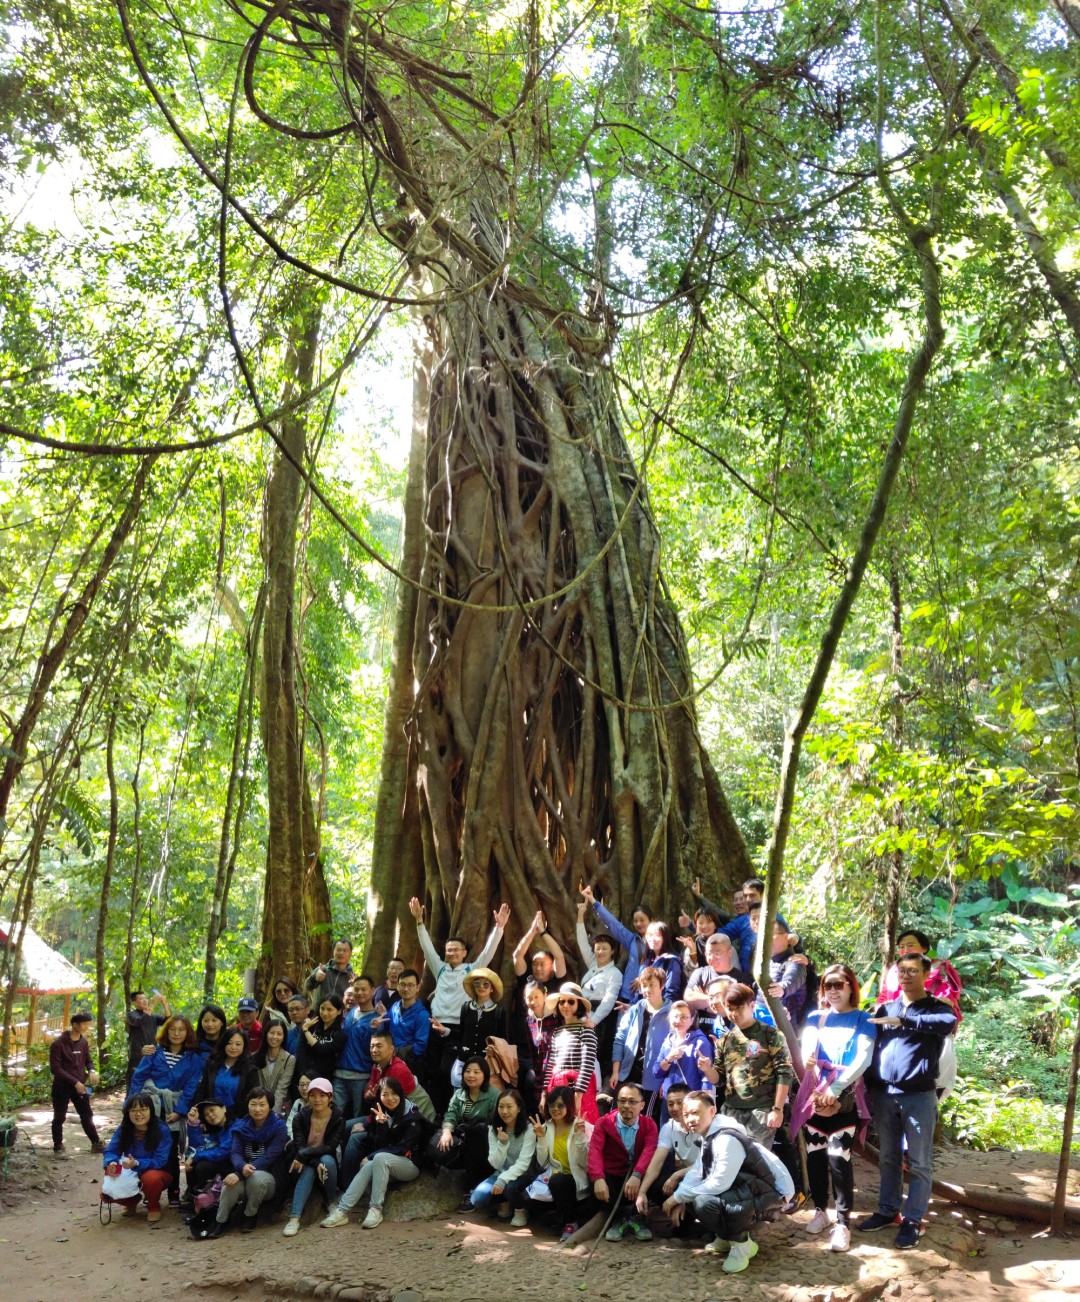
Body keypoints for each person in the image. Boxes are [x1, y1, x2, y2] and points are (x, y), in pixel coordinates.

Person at [859, 952, 957, 1249]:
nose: (906, 975)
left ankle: (913, 1218)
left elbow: (947, 1023)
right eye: (901, 970)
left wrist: (902, 1018)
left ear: (926, 974)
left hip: (918, 1096)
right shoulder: (885, 1007)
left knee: (919, 1162)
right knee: (888, 1157)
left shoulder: (936, 1008)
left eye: (913, 970)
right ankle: (888, 1211)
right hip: (885, 1095)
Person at [792, 964, 877, 1252]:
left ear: (851, 986)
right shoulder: (817, 1016)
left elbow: (863, 1058)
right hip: (815, 1093)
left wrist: (835, 1088)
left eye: (839, 984)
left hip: (845, 1095)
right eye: (828, 985)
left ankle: (842, 1223)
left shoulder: (863, 1019)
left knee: (839, 1158)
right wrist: (816, 1081)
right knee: (815, 1156)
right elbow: (808, 1051)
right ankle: (820, 1210)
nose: (833, 990)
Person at [662, 1090, 792, 1274]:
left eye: (696, 1112)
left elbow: (718, 1183)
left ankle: (741, 1244)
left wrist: (678, 1198)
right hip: (747, 1191)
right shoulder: (708, 1136)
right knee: (687, 1191)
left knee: (703, 1201)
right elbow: (697, 1172)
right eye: (687, 1114)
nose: (691, 1119)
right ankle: (724, 1236)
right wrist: (678, 1195)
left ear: (712, 1111)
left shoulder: (726, 1139)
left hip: (768, 1195)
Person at [409, 895, 510, 1113]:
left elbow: (488, 952)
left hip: (456, 1030)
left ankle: (453, 1111)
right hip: (434, 1026)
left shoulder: (471, 971)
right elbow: (426, 947)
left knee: (450, 1072)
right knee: (432, 1071)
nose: (452, 952)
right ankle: (434, 1115)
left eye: (456, 949)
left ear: (464, 953)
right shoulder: (441, 969)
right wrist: (419, 921)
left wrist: (499, 927)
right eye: (449, 949)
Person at [322, 1077, 426, 1229]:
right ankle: (341, 1211)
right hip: (385, 1163)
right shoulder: (382, 1114)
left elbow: (402, 1149)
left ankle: (376, 1209)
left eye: (394, 1094)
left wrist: (371, 1156)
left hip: (410, 1164)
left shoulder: (412, 1116)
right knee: (373, 1163)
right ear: (379, 1097)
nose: (390, 1098)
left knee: (377, 1158)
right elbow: (380, 1145)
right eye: (385, 1095)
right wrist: (382, 1126)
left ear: (401, 1094)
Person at [698, 982, 794, 1145]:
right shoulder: (726, 1040)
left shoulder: (771, 1035)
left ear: (751, 1005)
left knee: (755, 1162)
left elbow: (784, 1074)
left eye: (738, 1008)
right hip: (732, 1111)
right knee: (730, 1160)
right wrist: (707, 1069)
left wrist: (777, 1110)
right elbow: (719, 1079)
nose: (734, 1013)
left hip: (762, 1111)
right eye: (729, 1008)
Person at [129, 1014, 204, 1203]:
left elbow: (191, 1086)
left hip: (174, 1110)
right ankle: (149, 1191)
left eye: (181, 1030)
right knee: (147, 1147)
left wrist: (180, 1110)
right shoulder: (154, 1053)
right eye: (172, 1029)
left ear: (187, 1033)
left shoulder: (194, 1059)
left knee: (171, 1151)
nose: (176, 1033)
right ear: (166, 1031)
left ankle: (174, 1192)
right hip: (151, 1108)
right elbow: (139, 1077)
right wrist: (130, 1104)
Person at [207, 1086, 289, 1236]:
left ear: (270, 1106)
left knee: (255, 1177)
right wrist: (241, 1167)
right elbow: (235, 1153)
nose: (257, 1109)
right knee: (229, 1183)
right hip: (243, 1172)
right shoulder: (240, 1126)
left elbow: (268, 1158)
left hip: (268, 1178)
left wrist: (240, 1173)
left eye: (262, 1104)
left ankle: (250, 1215)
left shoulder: (279, 1128)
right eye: (253, 1104)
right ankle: (220, 1221)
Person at [587, 1082, 658, 1242]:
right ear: (616, 1102)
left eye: (632, 1102)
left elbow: (649, 1152)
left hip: (636, 1178)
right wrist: (598, 1178)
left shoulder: (649, 1125)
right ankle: (617, 1218)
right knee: (595, 1179)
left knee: (655, 1176)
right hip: (613, 1176)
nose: (626, 1105)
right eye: (622, 1101)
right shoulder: (604, 1123)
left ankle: (637, 1217)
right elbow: (594, 1151)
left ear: (642, 1105)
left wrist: (637, 1174)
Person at [428, 1054, 502, 1197]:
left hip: (486, 1142)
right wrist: (447, 1131)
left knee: (477, 1132)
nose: (471, 1075)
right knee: (438, 1146)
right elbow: (451, 1114)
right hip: (464, 1140)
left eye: (476, 1072)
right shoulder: (459, 1094)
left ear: (484, 1075)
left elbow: (496, 1122)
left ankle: (472, 1189)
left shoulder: (493, 1094)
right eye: (467, 1071)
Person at [465, 1088, 537, 1226]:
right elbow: (495, 1163)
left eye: (509, 1107)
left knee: (510, 1187)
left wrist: (503, 1180)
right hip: (501, 1172)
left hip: (524, 1174)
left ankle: (520, 1210)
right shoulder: (494, 1130)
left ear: (519, 1108)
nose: (504, 1111)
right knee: (477, 1198)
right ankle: (505, 1201)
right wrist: (502, 1144)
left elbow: (524, 1163)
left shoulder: (528, 1130)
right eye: (501, 1106)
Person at [282, 1077, 344, 1236]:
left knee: (328, 1160)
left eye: (322, 1095)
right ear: (307, 1097)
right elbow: (299, 1146)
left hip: (323, 1159)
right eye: (313, 1095)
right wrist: (314, 1162)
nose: (317, 1100)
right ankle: (294, 1219)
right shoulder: (300, 1117)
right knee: (310, 1169)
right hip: (303, 1163)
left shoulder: (338, 1118)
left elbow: (330, 1147)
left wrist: (308, 1156)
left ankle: (331, 1202)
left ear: (330, 1097)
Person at [530, 1086, 593, 1241]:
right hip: (554, 1181)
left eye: (560, 1105)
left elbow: (585, 1163)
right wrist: (542, 1138)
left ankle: (570, 1222)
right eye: (551, 1105)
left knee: (559, 1181)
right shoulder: (546, 1127)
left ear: (569, 1105)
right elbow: (543, 1163)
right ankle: (561, 1215)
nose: (555, 1109)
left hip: (578, 1182)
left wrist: (579, 1136)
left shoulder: (583, 1126)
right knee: (527, 1199)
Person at [100, 1093, 172, 1223]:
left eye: (143, 1109)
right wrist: (111, 1163)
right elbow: (111, 1150)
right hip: (130, 1169)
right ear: (128, 1113)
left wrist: (137, 1163)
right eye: (133, 1110)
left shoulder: (162, 1130)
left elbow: (160, 1161)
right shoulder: (124, 1129)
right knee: (108, 1188)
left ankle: (153, 1206)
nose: (138, 1114)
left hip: (157, 1171)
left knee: (151, 1178)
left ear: (151, 1110)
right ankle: (130, 1202)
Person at [610, 966, 671, 1109]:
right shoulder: (634, 1010)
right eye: (644, 985)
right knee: (616, 1116)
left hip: (653, 1078)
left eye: (652, 985)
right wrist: (615, 1071)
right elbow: (620, 1039)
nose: (647, 989)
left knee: (644, 1122)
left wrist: (666, 1080)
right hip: (628, 1072)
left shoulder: (671, 1013)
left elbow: (674, 1048)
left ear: (662, 985)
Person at [581, 883, 651, 1003]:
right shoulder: (632, 940)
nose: (638, 924)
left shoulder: (658, 942)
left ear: (651, 920)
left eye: (642, 920)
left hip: (647, 995)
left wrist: (643, 978)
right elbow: (613, 924)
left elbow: (660, 966)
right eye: (635, 921)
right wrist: (593, 900)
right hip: (627, 995)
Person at [634, 1082, 698, 1213]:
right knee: (655, 1184)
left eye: (680, 1103)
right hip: (689, 1178)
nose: (675, 1108)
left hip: (709, 1178)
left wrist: (678, 1175)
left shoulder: (704, 1123)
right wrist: (642, 1192)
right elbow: (656, 1164)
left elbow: (711, 1163)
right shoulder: (669, 1128)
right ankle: (686, 1224)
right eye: (670, 1104)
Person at [575, 900, 622, 1076]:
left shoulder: (614, 974)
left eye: (604, 948)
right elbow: (581, 942)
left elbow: (609, 1000)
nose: (600, 952)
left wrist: (593, 1021)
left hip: (598, 1019)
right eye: (597, 948)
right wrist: (580, 915)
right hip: (581, 1013)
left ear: (612, 951)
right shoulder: (593, 964)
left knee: (593, 1057)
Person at [879, 929, 963, 1023]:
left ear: (924, 948)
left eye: (910, 945)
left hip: (929, 1020)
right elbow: (884, 995)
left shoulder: (940, 967)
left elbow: (947, 997)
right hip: (894, 1022)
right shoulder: (893, 970)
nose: (906, 950)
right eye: (901, 947)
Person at [49, 1010, 103, 1157]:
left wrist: (92, 1071)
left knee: (87, 1114)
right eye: (84, 1024)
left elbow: (88, 1060)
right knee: (59, 1117)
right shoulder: (58, 1044)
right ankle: (58, 1147)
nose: (87, 1027)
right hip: (62, 1086)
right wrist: (74, 1082)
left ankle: (96, 1143)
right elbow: (55, 1069)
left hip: (80, 1086)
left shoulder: (83, 1042)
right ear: (75, 1025)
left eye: (88, 1024)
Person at [543, 982, 599, 1122]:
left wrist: (578, 1095)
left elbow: (587, 1065)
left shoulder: (585, 1030)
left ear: (578, 1005)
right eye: (562, 1002)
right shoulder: (557, 1032)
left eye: (571, 1001)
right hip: (558, 1089)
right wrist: (544, 1094)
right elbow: (551, 1064)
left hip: (578, 1090)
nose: (565, 1005)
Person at [684, 934, 753, 1036]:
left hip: (731, 1034)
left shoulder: (742, 980)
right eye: (709, 954)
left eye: (717, 953)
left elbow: (744, 1009)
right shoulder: (700, 973)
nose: (712, 958)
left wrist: (704, 1002)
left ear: (729, 953)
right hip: (701, 1033)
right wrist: (717, 1000)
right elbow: (688, 998)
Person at [191, 1026, 259, 1122]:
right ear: (223, 1044)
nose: (233, 1047)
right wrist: (197, 1111)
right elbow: (202, 1090)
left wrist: (227, 1117)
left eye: (238, 1044)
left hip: (237, 1121)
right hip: (210, 1119)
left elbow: (250, 1100)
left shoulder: (250, 1071)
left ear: (244, 1046)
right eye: (229, 1043)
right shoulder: (212, 1065)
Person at [442, 967, 506, 1064]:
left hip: (487, 1062)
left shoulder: (499, 1011)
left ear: (492, 988)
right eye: (477, 983)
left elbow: (503, 1039)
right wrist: (445, 1031)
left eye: (486, 984)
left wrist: (495, 1050)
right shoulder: (466, 1008)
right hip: (464, 1060)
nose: (481, 987)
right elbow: (462, 1033)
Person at [655, 1001, 714, 1104]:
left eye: (684, 1017)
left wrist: (704, 1102)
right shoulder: (668, 1040)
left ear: (692, 1020)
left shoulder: (700, 1042)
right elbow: (657, 1072)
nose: (679, 1020)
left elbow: (706, 1076)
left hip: (690, 1100)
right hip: (669, 1100)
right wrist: (669, 1058)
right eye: (675, 1016)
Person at [335, 974, 377, 1117]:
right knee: (335, 1113)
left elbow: (372, 1050)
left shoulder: (378, 1018)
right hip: (339, 1073)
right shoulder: (351, 1012)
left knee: (357, 1115)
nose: (359, 993)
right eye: (356, 989)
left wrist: (373, 1029)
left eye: (363, 989)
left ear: (373, 990)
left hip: (361, 1075)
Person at [516, 978, 557, 1114]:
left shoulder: (557, 1017)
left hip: (556, 1073)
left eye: (537, 997)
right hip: (539, 1074)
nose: (533, 1002)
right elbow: (533, 1052)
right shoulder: (529, 1021)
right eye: (529, 998)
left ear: (545, 995)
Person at [183, 1098, 235, 1203]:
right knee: (191, 1156)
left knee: (202, 1166)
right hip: (224, 1163)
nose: (210, 1115)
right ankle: (194, 1196)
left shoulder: (235, 1126)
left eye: (212, 1110)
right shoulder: (216, 1130)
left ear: (223, 1108)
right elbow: (199, 1145)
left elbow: (222, 1152)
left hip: (236, 1167)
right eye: (206, 1114)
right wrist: (193, 1123)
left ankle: (205, 1199)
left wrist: (195, 1156)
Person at [384, 968, 431, 1074]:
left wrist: (397, 1053)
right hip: (389, 1061)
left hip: (410, 1064)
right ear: (398, 986)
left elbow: (420, 1046)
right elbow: (386, 1025)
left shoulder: (422, 1015)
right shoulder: (395, 1007)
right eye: (402, 984)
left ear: (417, 987)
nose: (406, 988)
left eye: (410, 985)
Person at [294, 994, 346, 1084]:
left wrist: (305, 1030)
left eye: (329, 1009)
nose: (325, 1013)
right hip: (302, 1077)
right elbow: (300, 1052)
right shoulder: (311, 1027)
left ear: (339, 1011)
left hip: (323, 1080)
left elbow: (321, 1049)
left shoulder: (340, 1035)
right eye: (322, 1008)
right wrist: (303, 1074)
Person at [125, 990, 170, 1086]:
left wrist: (165, 1004)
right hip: (137, 1055)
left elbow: (168, 1021)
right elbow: (142, 1021)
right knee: (134, 1082)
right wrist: (153, 1003)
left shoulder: (153, 1016)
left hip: (152, 1054)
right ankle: (129, 1100)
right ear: (134, 1002)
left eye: (145, 998)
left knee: (151, 1081)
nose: (145, 1000)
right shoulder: (131, 1015)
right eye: (141, 999)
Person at [254, 1016, 296, 1115]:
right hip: (258, 1105)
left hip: (279, 1107)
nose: (275, 1037)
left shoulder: (289, 1059)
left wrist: (272, 1113)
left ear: (284, 1037)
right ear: (266, 1034)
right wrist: (262, 1108)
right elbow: (257, 1085)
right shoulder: (257, 1056)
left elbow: (282, 1089)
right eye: (272, 1033)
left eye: (279, 1034)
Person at [305, 939, 356, 1004]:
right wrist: (315, 977)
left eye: (345, 950)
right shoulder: (323, 970)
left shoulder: (352, 977)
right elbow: (307, 986)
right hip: (320, 1011)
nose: (341, 953)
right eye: (338, 950)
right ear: (333, 951)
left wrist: (355, 987)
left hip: (340, 1013)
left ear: (350, 953)